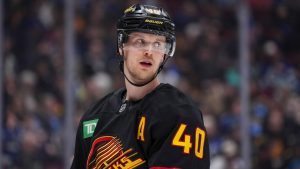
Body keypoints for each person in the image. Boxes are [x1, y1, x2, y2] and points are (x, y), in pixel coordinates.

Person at [71, 4, 210, 169]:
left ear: (165, 54)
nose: (149, 52)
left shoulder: (178, 113)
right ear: (122, 46)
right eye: (140, 42)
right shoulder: (94, 117)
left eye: (158, 44)